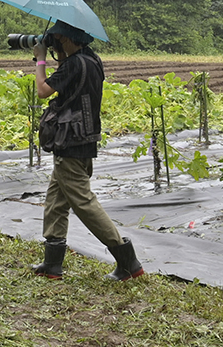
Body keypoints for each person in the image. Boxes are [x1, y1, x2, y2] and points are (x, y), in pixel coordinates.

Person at [27, 20, 143, 283]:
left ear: (66, 39)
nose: (53, 39)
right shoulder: (90, 60)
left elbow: (43, 91)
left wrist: (40, 60)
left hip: (70, 141)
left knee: (83, 202)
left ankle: (128, 261)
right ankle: (52, 263)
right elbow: (70, 80)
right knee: (56, 200)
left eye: (56, 36)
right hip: (83, 138)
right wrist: (59, 56)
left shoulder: (73, 64)